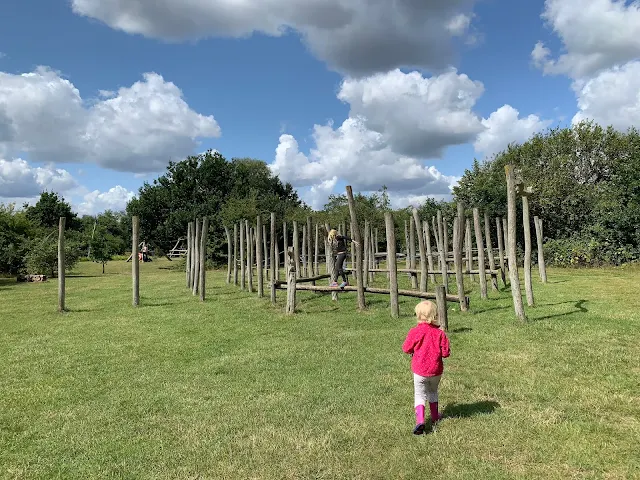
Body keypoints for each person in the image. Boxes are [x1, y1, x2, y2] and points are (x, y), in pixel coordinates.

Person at [402, 300, 451, 435]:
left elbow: (406, 348)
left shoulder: (415, 332)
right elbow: (446, 353)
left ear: (418, 315)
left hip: (419, 370)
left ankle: (420, 421)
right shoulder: (440, 333)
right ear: (435, 316)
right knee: (432, 392)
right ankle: (435, 416)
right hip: (436, 370)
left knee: (419, 394)